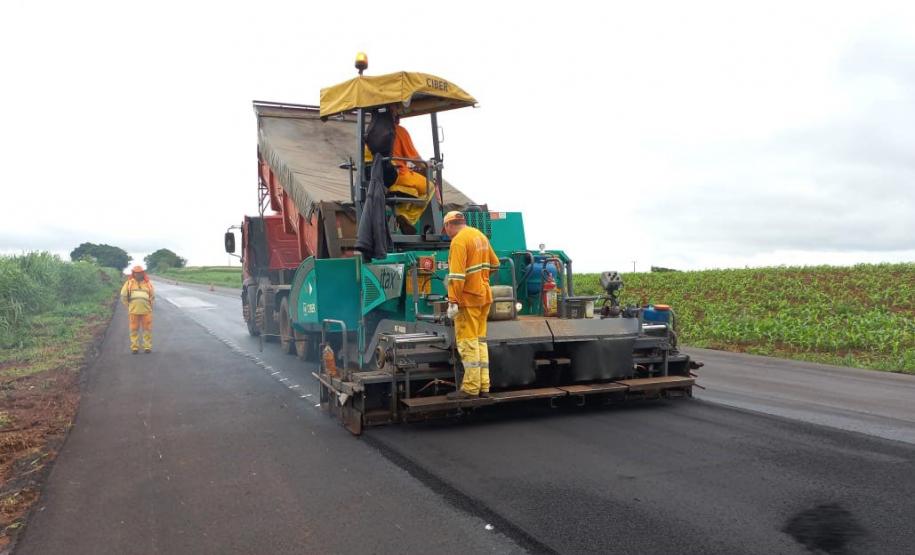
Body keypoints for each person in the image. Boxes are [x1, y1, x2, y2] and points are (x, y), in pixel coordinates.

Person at [443, 211, 501, 400]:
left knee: (467, 343)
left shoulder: (459, 241)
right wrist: (480, 280)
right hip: (484, 297)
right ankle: (484, 386)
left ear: (449, 226)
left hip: (468, 300)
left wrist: (453, 301)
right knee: (479, 342)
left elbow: (457, 277)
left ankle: (470, 388)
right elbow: (495, 264)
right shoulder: (479, 235)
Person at [120, 265, 155, 354]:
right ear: (133, 273)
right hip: (133, 311)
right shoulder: (129, 283)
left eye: (140, 273)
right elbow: (123, 296)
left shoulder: (148, 284)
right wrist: (129, 306)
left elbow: (152, 297)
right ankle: (134, 348)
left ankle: (147, 347)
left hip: (146, 311)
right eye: (136, 273)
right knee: (134, 329)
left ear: (143, 273)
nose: (138, 274)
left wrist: (150, 306)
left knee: (147, 329)